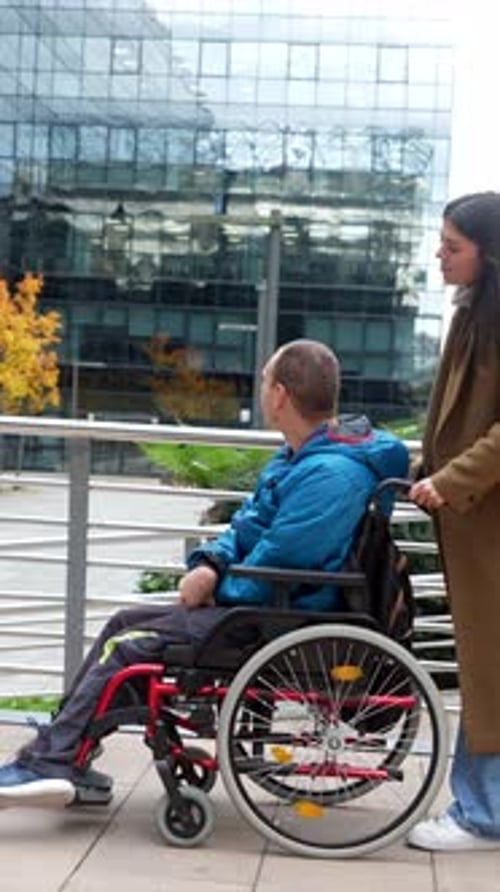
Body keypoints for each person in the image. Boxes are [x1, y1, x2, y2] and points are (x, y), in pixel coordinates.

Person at [0, 339, 408, 808]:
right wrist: (210, 565)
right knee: (122, 624)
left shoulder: (330, 475)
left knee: (128, 646)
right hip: (267, 602)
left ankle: (53, 759)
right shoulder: (302, 456)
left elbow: (283, 560)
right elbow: (248, 527)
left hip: (277, 615)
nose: (260, 391)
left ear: (279, 394)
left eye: (263, 382)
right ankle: (64, 751)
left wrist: (220, 592)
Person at [407, 192, 500, 851]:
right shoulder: (473, 313)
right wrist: (427, 465)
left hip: (487, 523)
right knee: (485, 666)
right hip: (476, 524)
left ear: (488, 256)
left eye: (452, 245)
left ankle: (483, 815)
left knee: (489, 668)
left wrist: (449, 480)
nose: (439, 254)